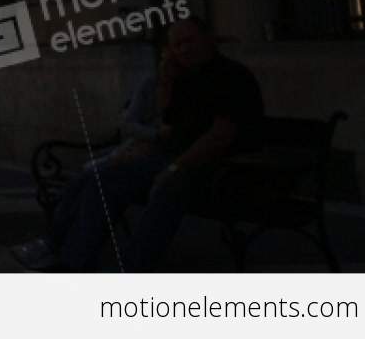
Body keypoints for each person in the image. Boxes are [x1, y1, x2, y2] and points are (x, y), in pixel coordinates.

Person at [13, 15, 261, 272]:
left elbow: (220, 137)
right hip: (176, 160)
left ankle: (131, 270)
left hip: (221, 168)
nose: (184, 49)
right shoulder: (185, 79)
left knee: (168, 188)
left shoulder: (232, 76)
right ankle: (72, 261)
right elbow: (169, 125)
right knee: (101, 178)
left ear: (208, 38)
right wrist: (166, 82)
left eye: (189, 41)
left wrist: (173, 167)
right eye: (177, 45)